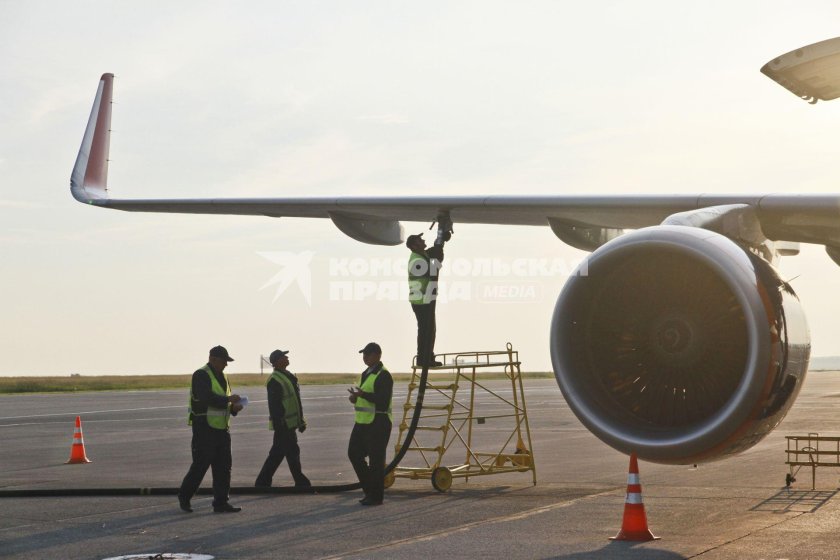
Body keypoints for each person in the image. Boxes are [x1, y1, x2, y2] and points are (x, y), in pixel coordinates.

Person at [178, 345, 244, 513]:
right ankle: (184, 497)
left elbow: (222, 403)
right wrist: (228, 399)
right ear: (213, 359)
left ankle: (221, 502)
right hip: (204, 428)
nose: (226, 365)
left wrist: (233, 409)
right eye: (224, 361)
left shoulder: (223, 376)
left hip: (222, 429)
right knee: (200, 465)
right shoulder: (201, 375)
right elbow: (206, 397)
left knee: (223, 467)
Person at [255, 349, 312, 488]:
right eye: (283, 356)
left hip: (290, 424)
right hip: (284, 424)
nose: (287, 358)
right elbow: (275, 406)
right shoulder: (275, 380)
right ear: (277, 361)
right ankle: (300, 482)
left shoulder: (287, 376)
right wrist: (280, 424)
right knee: (290, 452)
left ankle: (262, 482)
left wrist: (300, 422)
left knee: (278, 453)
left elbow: (295, 401)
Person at [347, 342, 393, 506]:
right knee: (354, 454)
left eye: (367, 354)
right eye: (363, 354)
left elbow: (382, 401)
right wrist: (355, 398)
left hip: (379, 422)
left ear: (377, 355)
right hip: (362, 422)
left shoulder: (384, 375)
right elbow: (362, 397)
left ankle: (376, 496)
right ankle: (370, 489)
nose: (364, 357)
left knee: (376, 461)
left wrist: (363, 394)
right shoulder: (365, 373)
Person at [406, 233, 444, 367]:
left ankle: (427, 357)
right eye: (420, 240)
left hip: (424, 299)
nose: (423, 240)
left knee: (429, 329)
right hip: (421, 301)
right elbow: (433, 269)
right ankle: (423, 359)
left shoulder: (422, 255)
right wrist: (438, 252)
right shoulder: (417, 261)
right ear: (414, 246)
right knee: (425, 330)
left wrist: (439, 245)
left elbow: (431, 255)